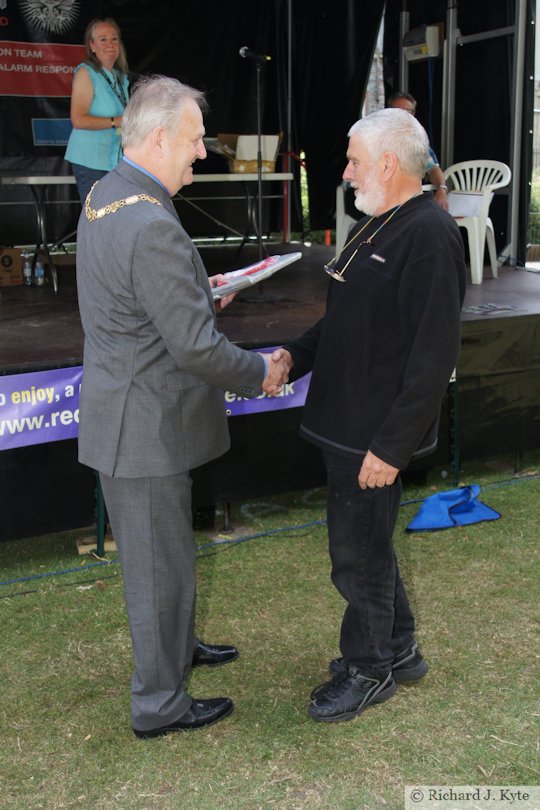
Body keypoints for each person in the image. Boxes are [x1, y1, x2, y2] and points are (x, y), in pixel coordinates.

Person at [76, 75, 289, 738]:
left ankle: (176, 648)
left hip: (131, 410)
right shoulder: (148, 221)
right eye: (197, 140)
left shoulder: (110, 195)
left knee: (166, 553)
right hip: (145, 425)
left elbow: (142, 300)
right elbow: (196, 349)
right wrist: (262, 374)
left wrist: (200, 289)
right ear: (162, 136)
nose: (203, 152)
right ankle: (159, 702)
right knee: (156, 566)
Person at [272, 108, 466, 723]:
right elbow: (343, 324)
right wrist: (292, 358)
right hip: (343, 422)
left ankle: (369, 667)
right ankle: (400, 650)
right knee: (368, 545)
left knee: (355, 556)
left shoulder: (431, 236)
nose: (347, 170)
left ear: (387, 163)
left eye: (354, 159)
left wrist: (392, 447)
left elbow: (433, 359)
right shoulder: (375, 224)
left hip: (373, 436)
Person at [65, 18, 130, 203]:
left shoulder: (120, 77)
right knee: (98, 219)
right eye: (103, 39)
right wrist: (115, 121)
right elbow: (78, 120)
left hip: (116, 161)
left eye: (114, 39)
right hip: (91, 161)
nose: (110, 44)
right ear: (92, 45)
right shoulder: (86, 73)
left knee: (116, 218)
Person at [387, 91, 448, 210]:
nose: (402, 115)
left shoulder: (416, 141)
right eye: (397, 111)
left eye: (407, 112)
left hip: (404, 199)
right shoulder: (375, 135)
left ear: (413, 115)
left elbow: (433, 169)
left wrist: (442, 189)